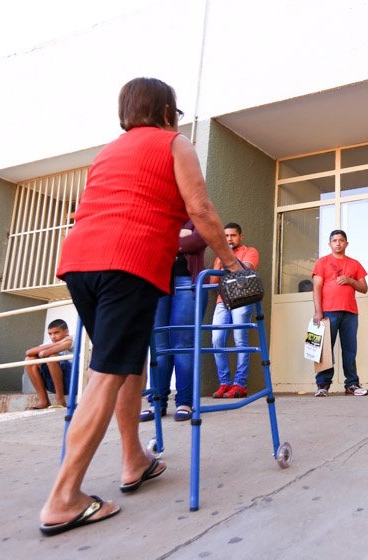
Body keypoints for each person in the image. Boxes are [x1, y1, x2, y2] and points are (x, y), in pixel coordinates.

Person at [38, 77, 242, 536]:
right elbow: (203, 210)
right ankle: (64, 497)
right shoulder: (175, 143)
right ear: (167, 109)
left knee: (128, 365)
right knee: (106, 373)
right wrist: (230, 264)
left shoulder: (108, 151)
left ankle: (134, 459)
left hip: (80, 262)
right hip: (127, 263)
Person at [139, 220, 208, 423]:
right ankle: (156, 403)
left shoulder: (196, 217)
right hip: (158, 283)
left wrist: (166, 242)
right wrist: (180, 239)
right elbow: (147, 244)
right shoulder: (160, 215)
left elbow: (198, 241)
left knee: (182, 345)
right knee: (159, 347)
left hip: (187, 282)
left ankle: (185, 402)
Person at [312, 229, 368, 397]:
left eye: (341, 240)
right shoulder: (322, 262)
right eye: (334, 240)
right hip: (328, 311)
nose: (338, 243)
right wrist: (318, 312)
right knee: (324, 349)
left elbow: (364, 288)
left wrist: (350, 280)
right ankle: (322, 385)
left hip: (350, 312)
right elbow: (316, 287)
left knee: (350, 349)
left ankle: (351, 384)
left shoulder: (355, 264)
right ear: (330, 244)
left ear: (346, 243)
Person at [209, 222, 259, 399]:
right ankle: (225, 383)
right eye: (226, 236)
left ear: (240, 236)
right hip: (222, 301)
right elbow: (213, 283)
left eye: (233, 235)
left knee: (240, 339)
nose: (229, 239)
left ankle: (240, 384)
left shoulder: (250, 251)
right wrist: (220, 262)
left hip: (242, 299)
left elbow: (246, 270)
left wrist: (229, 259)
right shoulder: (218, 257)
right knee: (216, 340)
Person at [24, 319, 73, 409]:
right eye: (50, 334)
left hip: (72, 380)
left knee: (52, 356)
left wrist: (59, 343)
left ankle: (60, 400)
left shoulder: (70, 340)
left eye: (56, 333)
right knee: (29, 359)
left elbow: (43, 354)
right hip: (54, 381)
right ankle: (44, 401)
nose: (52, 337)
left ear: (66, 332)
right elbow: (28, 352)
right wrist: (58, 342)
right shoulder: (53, 342)